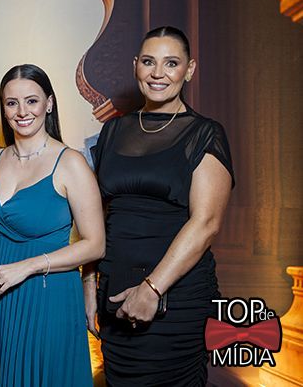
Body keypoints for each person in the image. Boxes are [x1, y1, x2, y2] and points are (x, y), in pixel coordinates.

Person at [89, 26, 235, 386]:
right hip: (114, 293)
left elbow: (206, 223)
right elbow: (97, 216)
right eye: (149, 62)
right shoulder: (113, 131)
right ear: (135, 66)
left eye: (171, 63)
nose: (158, 73)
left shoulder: (205, 133)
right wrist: (89, 285)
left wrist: (152, 289)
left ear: (190, 69)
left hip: (175, 298)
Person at [0, 64, 105, 387]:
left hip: (48, 297)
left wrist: (28, 266)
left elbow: (95, 244)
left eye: (31, 101)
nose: (22, 112)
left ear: (49, 103)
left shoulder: (70, 163)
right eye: (12, 103)